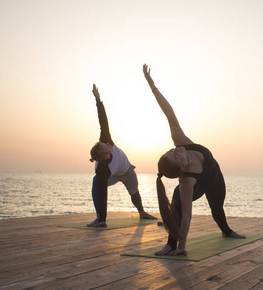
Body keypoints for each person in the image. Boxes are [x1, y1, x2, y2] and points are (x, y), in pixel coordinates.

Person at [142, 63, 245, 256]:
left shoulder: (181, 141)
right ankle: (171, 244)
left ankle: (227, 231)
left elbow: (169, 112)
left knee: (217, 210)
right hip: (199, 184)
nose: (174, 149)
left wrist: (152, 85)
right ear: (182, 166)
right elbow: (188, 216)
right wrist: (182, 246)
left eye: (169, 151)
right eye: (174, 155)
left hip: (215, 178)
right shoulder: (186, 181)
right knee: (179, 204)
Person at [88, 84, 156, 227]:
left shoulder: (106, 140)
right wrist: (103, 221)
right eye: (107, 148)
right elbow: (103, 195)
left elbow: (103, 121)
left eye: (106, 144)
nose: (109, 145)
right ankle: (99, 217)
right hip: (112, 176)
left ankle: (142, 212)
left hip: (127, 171)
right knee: (97, 185)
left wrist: (98, 100)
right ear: (105, 157)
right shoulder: (102, 170)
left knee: (134, 192)